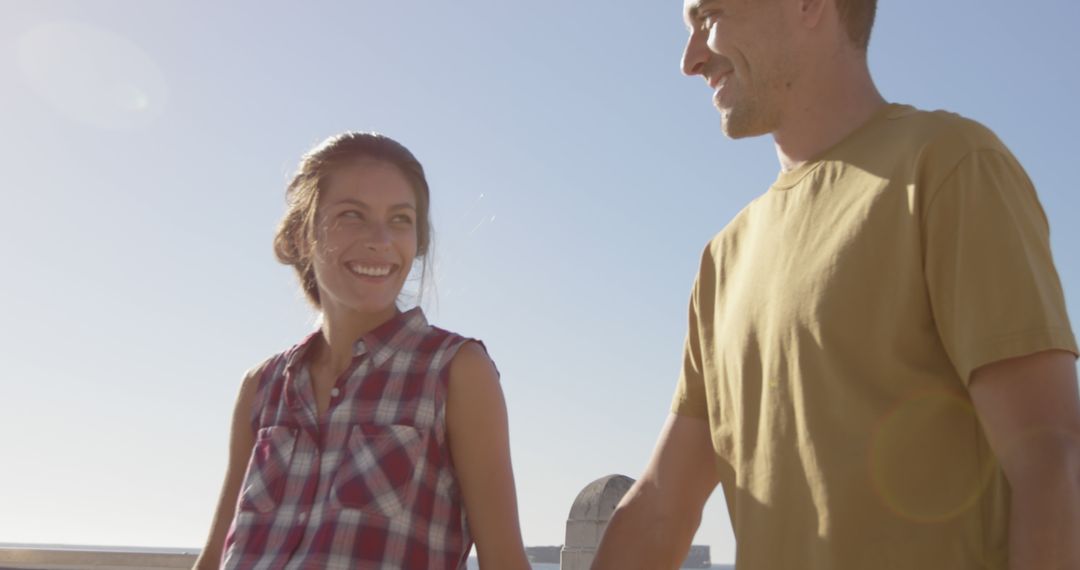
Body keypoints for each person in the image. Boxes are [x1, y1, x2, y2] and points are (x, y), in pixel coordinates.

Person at [592, 0, 1080, 568]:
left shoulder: (950, 166)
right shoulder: (722, 259)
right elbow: (660, 507)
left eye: (710, 16)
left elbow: (1052, 462)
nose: (690, 59)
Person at [193, 132, 531, 570]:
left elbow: (505, 562)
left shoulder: (456, 372)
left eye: (400, 219)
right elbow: (213, 559)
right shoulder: (261, 387)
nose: (380, 240)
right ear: (301, 235)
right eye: (352, 215)